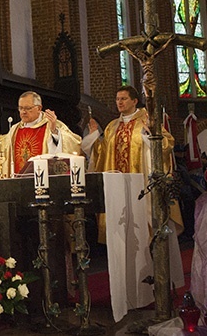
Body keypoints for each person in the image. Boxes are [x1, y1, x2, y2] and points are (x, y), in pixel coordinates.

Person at [81, 86, 185, 292]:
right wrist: (94, 137)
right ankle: (129, 287)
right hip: (120, 195)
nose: (119, 102)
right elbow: (102, 155)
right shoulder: (111, 127)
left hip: (144, 192)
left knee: (149, 234)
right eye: (117, 99)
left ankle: (159, 285)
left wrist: (149, 135)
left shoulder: (148, 120)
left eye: (124, 99)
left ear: (135, 101)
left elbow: (166, 145)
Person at [0, 91, 81, 177]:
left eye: (28, 108)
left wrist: (54, 132)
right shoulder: (15, 129)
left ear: (39, 108)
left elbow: (74, 142)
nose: (23, 112)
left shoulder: (52, 123)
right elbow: (0, 147)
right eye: (21, 108)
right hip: (19, 181)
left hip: (43, 179)